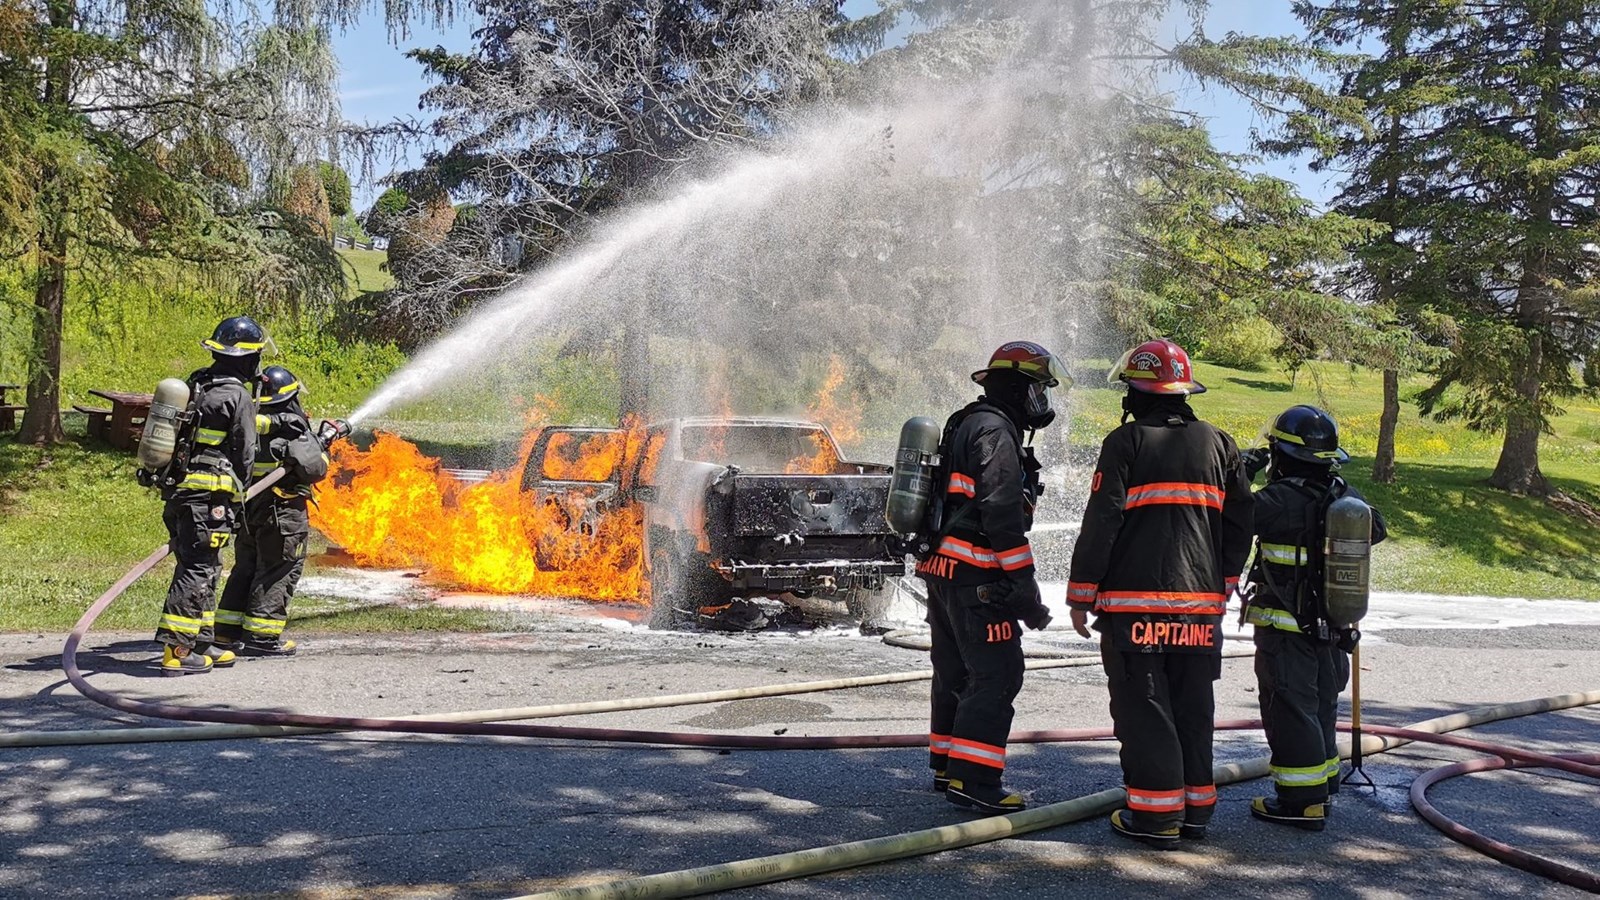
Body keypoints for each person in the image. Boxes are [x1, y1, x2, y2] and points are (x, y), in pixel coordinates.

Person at [1066, 338, 1253, 847]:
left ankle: (1155, 816)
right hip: (1200, 613)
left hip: (1134, 610)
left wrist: (1081, 594)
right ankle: (1196, 812)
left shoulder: (1125, 442)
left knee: (1145, 709)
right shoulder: (1220, 444)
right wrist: (1225, 580)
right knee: (1193, 708)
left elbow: (1102, 520)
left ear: (1136, 392)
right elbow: (1242, 520)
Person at [915, 341, 1062, 814]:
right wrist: (1024, 586)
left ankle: (947, 764)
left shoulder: (967, 421)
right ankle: (974, 780)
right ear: (1018, 388)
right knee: (997, 673)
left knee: (954, 671)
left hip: (944, 570)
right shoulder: (996, 432)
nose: (1042, 400)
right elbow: (1002, 514)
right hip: (977, 575)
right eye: (1038, 389)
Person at [1239, 405, 1388, 831]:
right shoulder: (1342, 495)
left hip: (1287, 631)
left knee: (1290, 712)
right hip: (1333, 630)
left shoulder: (1280, 500)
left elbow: (1231, 517)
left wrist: (1242, 474)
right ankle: (1323, 785)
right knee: (1321, 706)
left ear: (1283, 456)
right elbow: (1377, 527)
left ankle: (1300, 802)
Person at [153, 316, 264, 675]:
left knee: (207, 566)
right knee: (198, 568)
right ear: (247, 359)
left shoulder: (197, 383)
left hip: (179, 494)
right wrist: (239, 493)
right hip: (208, 500)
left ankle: (202, 642)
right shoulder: (238, 396)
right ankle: (177, 650)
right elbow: (245, 452)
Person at [215, 365, 328, 657]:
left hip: (249, 511)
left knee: (245, 567)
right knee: (278, 571)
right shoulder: (291, 430)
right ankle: (262, 637)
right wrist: (320, 445)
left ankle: (226, 632)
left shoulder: (247, 427)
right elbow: (314, 469)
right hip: (282, 515)